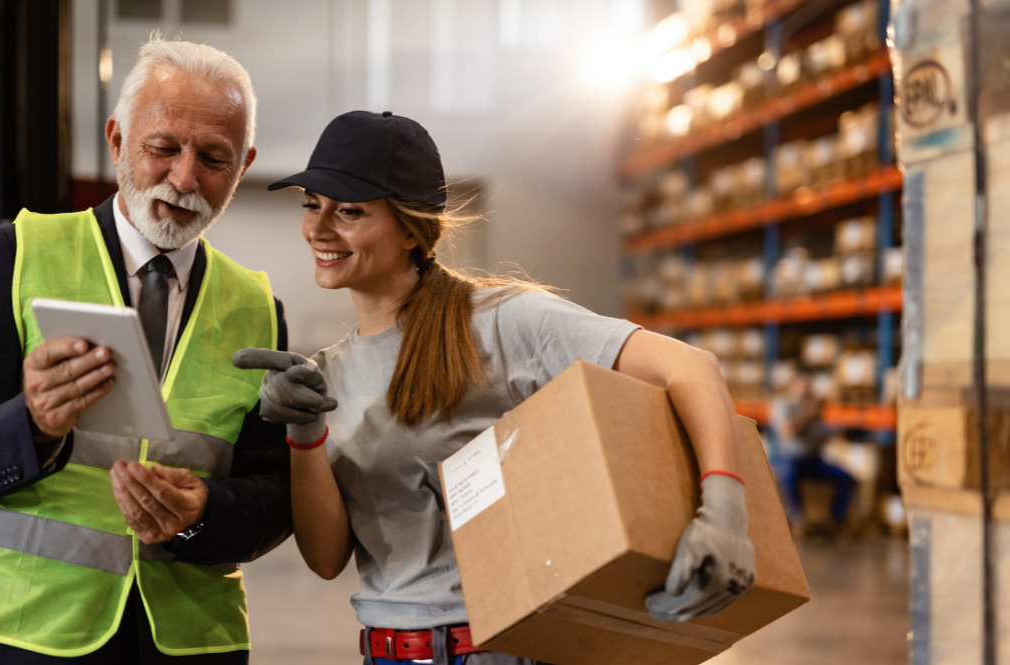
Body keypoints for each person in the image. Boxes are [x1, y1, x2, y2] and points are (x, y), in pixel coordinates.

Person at [232, 111, 756, 665]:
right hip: (388, 651)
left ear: (412, 228)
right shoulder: (324, 376)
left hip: (502, 648)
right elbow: (326, 558)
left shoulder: (498, 321)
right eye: (312, 205)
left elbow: (692, 368)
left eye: (351, 212)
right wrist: (304, 435)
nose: (318, 228)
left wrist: (724, 511)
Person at [0, 37, 292, 664]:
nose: (184, 178)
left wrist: (198, 515)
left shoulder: (256, 308)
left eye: (214, 158)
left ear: (245, 164)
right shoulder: (15, 256)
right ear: (117, 140)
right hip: (13, 635)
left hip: (184, 646)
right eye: (163, 148)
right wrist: (30, 425)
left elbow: (273, 494)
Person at [769, 372, 856, 537]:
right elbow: (789, 431)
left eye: (809, 387)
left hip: (813, 459)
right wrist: (809, 413)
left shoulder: (814, 407)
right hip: (790, 458)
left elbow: (816, 434)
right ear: (793, 386)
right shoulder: (783, 404)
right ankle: (798, 519)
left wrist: (833, 432)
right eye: (803, 387)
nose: (806, 391)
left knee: (846, 478)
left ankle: (835, 521)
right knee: (789, 475)